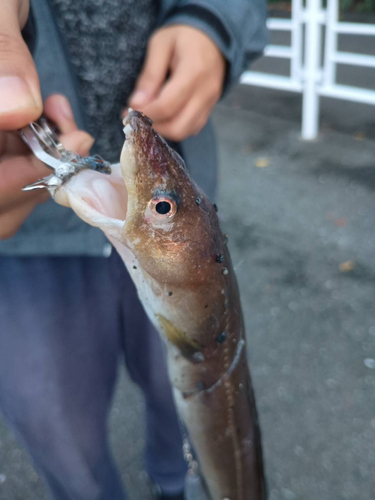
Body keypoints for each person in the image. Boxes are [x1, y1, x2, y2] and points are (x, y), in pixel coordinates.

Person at [0, 1, 267, 499]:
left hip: (186, 175)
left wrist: (212, 21)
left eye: (161, 208)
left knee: (177, 412)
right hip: (25, 247)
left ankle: (173, 482)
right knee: (57, 427)